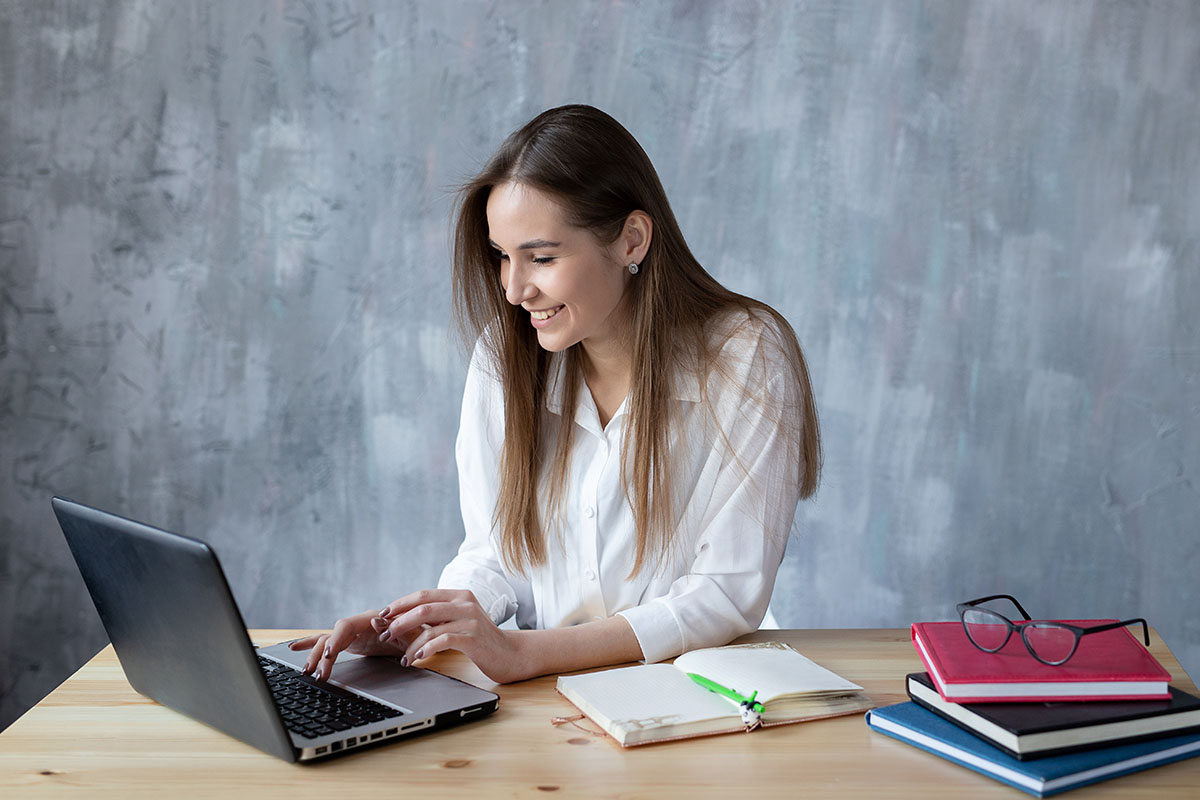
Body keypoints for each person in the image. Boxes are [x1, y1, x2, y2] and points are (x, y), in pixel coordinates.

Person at [291, 105, 821, 684]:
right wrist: (417, 626)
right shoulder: (504, 356)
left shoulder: (746, 356)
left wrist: (526, 654)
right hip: (548, 706)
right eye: (502, 256)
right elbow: (495, 552)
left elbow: (726, 594)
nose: (515, 290)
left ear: (632, 241)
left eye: (541, 258)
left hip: (689, 701)